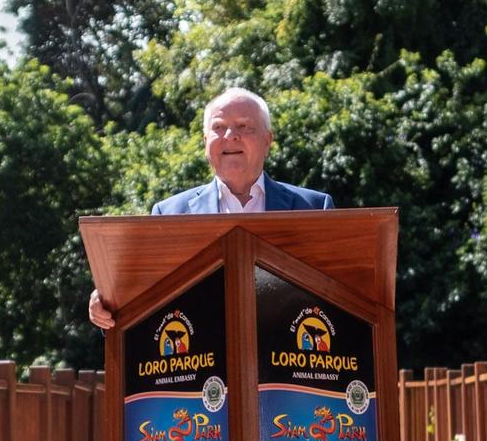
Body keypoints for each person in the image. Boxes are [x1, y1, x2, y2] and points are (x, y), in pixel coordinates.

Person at [87, 87, 330, 329]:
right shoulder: (168, 215)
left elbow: (337, 301)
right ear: (205, 142)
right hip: (203, 361)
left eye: (244, 126)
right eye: (218, 127)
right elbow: (147, 306)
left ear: (267, 140)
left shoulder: (315, 209)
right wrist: (108, 305)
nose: (230, 135)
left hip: (289, 358)